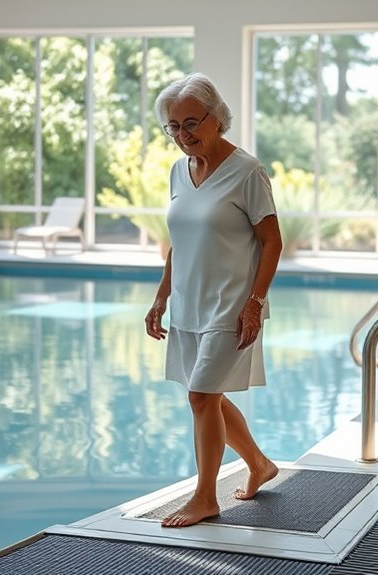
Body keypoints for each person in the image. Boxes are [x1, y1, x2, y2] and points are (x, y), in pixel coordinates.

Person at [144, 73, 283, 528]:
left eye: (191, 123)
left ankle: (205, 497)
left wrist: (255, 302)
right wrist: (161, 297)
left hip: (232, 305)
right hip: (188, 303)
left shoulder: (247, 172)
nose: (182, 135)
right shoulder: (178, 172)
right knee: (208, 396)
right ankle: (259, 464)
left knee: (202, 396)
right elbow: (179, 243)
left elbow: (272, 241)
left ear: (216, 117)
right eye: (173, 126)